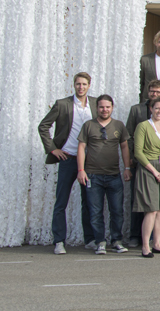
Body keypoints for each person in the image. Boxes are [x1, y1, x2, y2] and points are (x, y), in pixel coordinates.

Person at [38, 72, 96, 254]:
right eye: (78, 84)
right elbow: (43, 126)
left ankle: (90, 239)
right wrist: (52, 149)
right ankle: (59, 241)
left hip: (89, 162)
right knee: (61, 201)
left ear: (89, 86)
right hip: (68, 158)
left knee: (88, 201)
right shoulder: (62, 104)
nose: (81, 87)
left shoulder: (95, 104)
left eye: (84, 84)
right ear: (74, 85)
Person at [76, 95, 131, 255]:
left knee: (117, 211)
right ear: (97, 108)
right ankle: (100, 241)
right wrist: (81, 170)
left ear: (112, 107)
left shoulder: (118, 125)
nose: (104, 110)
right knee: (95, 211)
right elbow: (81, 147)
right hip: (93, 176)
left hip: (114, 175)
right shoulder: (88, 125)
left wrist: (127, 168)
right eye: (101, 107)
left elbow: (125, 147)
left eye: (107, 107)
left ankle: (116, 241)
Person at [133, 97, 160, 258]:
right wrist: (155, 172)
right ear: (151, 109)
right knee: (151, 209)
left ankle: (157, 243)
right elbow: (138, 152)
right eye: (157, 108)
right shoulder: (143, 126)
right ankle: (145, 246)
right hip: (149, 169)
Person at [124, 80, 160, 248]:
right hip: (141, 162)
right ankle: (135, 236)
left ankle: (158, 239)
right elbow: (128, 136)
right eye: (152, 91)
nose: (154, 94)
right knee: (139, 201)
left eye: (158, 92)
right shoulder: (136, 110)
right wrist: (132, 159)